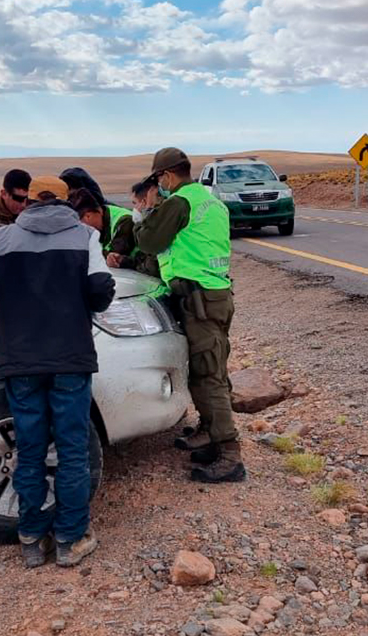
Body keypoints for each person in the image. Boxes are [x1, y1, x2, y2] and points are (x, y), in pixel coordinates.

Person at [0, 175, 115, 568]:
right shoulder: (85, 237)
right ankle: (70, 539)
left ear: (30, 200)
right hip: (71, 357)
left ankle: (31, 537)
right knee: (71, 449)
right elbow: (101, 290)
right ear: (66, 201)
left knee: (29, 450)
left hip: (22, 360)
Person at [134, 147, 244, 484]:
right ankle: (212, 435)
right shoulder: (210, 200)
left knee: (208, 376)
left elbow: (149, 243)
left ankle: (230, 455)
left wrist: (147, 211)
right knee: (209, 371)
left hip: (199, 299)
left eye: (158, 180)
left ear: (166, 176)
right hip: (216, 295)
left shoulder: (179, 202)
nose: (158, 186)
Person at [59, 167, 137, 268]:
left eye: (79, 223)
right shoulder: (98, 218)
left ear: (88, 216)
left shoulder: (125, 221)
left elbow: (112, 258)